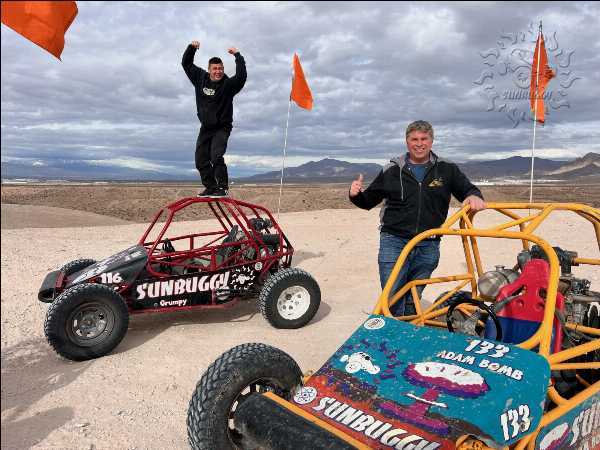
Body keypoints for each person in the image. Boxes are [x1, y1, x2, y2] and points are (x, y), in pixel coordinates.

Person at [349, 120, 486, 316]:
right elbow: (368, 201)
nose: (419, 144)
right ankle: (395, 331)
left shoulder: (446, 169)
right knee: (393, 296)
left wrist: (474, 195)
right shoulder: (392, 169)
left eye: (424, 139)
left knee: (414, 295)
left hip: (429, 242)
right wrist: (355, 195)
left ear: (431, 141)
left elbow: (468, 189)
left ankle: (410, 328)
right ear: (407, 142)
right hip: (394, 241)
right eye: (414, 139)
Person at [182, 40, 247, 197]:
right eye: (215, 68)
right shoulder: (200, 78)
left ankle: (223, 187)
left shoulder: (228, 85)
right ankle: (211, 187)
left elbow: (241, 76)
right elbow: (186, 64)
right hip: (206, 127)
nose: (218, 71)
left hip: (222, 127)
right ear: (209, 69)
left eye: (220, 68)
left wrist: (238, 56)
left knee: (216, 155)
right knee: (200, 159)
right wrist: (191, 48)